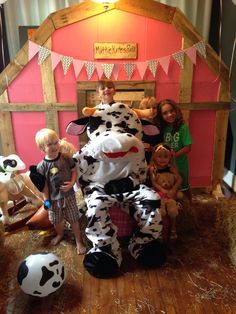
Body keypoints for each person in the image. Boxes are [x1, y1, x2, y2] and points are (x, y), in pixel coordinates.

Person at [35, 128, 86, 254]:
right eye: (49, 144)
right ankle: (60, 234)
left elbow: (74, 170)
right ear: (42, 148)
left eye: (56, 142)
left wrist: (72, 183)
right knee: (56, 220)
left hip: (69, 196)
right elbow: (45, 185)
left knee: (74, 218)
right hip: (53, 199)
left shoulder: (66, 158)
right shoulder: (41, 166)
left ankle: (79, 241)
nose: (54, 146)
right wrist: (46, 200)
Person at [156, 99, 192, 199]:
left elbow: (188, 148)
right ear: (161, 116)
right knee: (169, 190)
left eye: (172, 111)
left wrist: (172, 156)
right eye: (165, 113)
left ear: (176, 111)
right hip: (165, 166)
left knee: (183, 190)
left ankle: (188, 209)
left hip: (180, 165)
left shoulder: (182, 127)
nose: (170, 115)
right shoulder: (162, 129)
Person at [149, 143, 183, 239]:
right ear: (154, 157)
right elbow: (154, 183)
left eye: (165, 157)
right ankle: (160, 229)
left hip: (170, 192)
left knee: (173, 209)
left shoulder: (170, 167)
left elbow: (179, 179)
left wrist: (173, 189)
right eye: (159, 156)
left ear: (170, 158)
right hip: (159, 192)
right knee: (161, 209)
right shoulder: (153, 169)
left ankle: (173, 229)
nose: (162, 159)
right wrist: (164, 190)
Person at [139, 96, 163, 164]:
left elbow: (160, 144)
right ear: (141, 110)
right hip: (140, 160)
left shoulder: (159, 125)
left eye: (154, 108)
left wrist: (152, 148)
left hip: (155, 160)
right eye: (148, 108)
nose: (151, 110)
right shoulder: (137, 124)